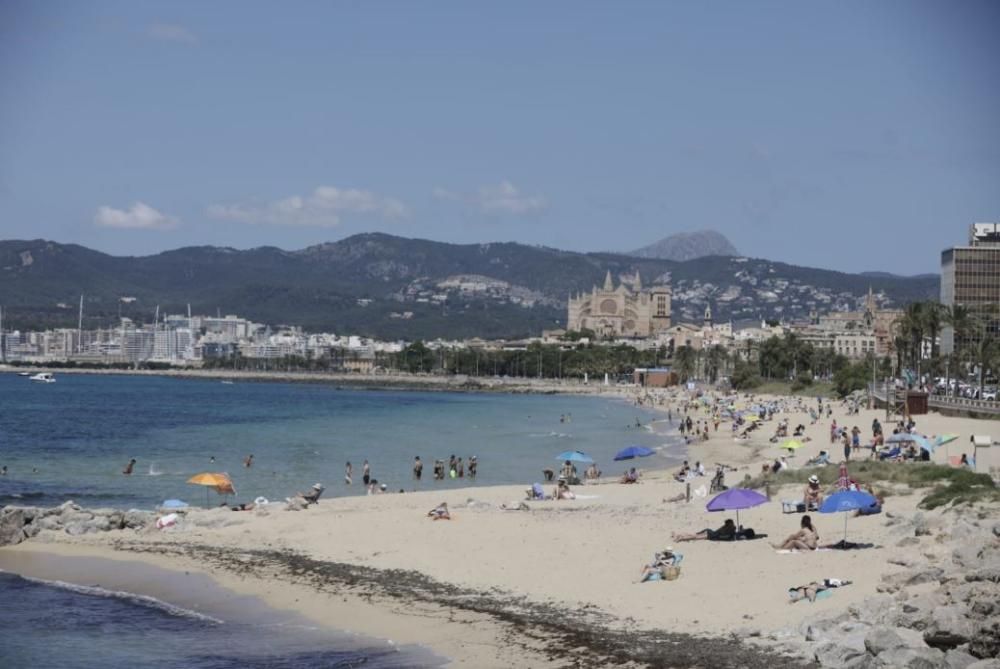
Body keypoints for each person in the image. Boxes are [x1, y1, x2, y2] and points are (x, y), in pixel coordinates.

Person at [672, 518, 737, 542]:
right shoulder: (727, 529)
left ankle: (678, 535)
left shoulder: (726, 528)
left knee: (694, 535)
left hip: (709, 532)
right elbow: (721, 536)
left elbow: (724, 535)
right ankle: (679, 538)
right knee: (694, 536)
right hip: (709, 534)